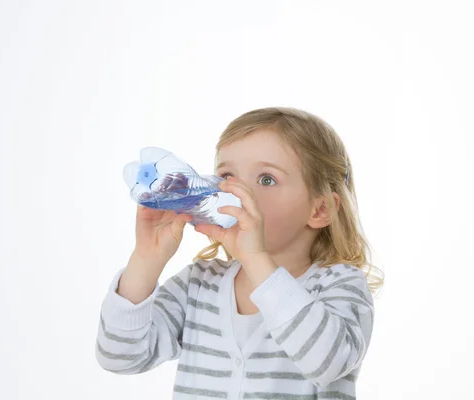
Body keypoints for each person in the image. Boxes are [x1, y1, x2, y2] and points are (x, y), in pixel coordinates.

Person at [95, 107, 384, 399]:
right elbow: (119, 356)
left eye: (266, 179)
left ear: (320, 209)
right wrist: (146, 258)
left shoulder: (339, 284)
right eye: (227, 174)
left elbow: (329, 363)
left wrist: (257, 259)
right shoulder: (199, 283)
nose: (237, 190)